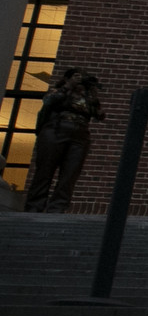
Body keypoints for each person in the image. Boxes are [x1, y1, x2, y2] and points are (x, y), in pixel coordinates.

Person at [25, 68, 103, 212]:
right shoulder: (59, 91)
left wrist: (93, 94)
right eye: (78, 77)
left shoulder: (87, 98)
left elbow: (99, 115)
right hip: (56, 131)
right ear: (68, 78)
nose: (81, 82)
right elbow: (48, 101)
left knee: (70, 174)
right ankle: (35, 206)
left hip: (79, 135)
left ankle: (58, 207)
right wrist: (68, 86)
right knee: (45, 171)